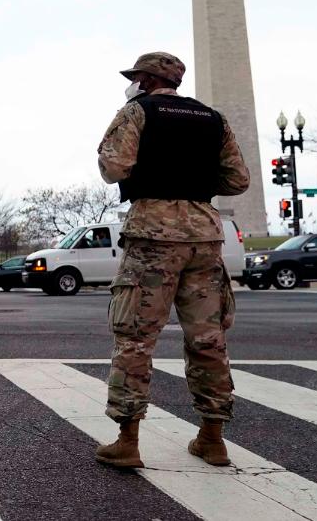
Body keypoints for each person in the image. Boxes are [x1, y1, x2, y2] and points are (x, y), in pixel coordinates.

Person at [94, 51, 249, 468]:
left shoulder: (137, 112)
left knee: (135, 336)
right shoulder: (213, 119)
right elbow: (239, 179)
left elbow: (114, 166)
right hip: (204, 235)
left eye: (135, 78)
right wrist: (193, 179)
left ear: (145, 80)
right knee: (208, 338)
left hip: (152, 234)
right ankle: (212, 438)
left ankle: (128, 440)